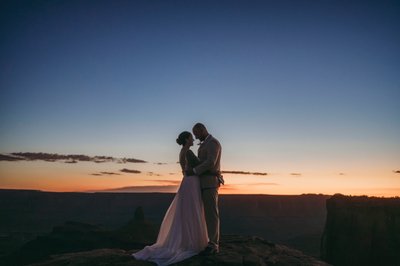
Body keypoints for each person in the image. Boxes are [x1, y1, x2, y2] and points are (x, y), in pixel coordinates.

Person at [132, 131, 208, 266]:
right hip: (191, 183)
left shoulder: (181, 152)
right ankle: (191, 242)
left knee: (186, 212)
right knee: (192, 211)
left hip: (187, 182)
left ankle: (186, 240)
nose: (193, 139)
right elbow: (199, 165)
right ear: (186, 139)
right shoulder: (188, 152)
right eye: (191, 137)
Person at [185, 123, 222, 255]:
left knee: (211, 214)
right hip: (202, 183)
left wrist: (194, 171)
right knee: (204, 214)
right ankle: (207, 241)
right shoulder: (205, 144)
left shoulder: (213, 143)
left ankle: (213, 244)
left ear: (202, 130)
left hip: (210, 183)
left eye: (196, 134)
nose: (195, 137)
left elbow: (211, 162)